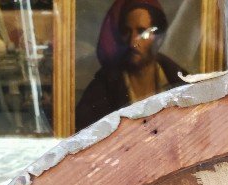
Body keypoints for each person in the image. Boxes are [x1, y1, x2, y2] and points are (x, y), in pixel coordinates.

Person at [75, 0, 182, 129]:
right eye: (127, 31)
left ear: (158, 38)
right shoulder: (103, 88)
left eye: (142, 32)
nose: (132, 43)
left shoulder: (178, 79)